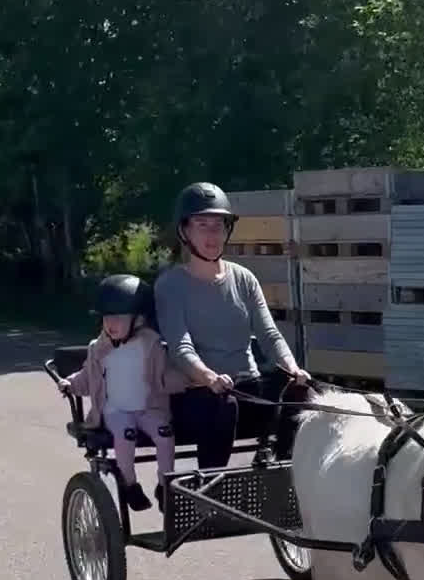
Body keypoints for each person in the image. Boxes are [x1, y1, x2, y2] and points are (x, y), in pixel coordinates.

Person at [154, 181, 311, 470]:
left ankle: (280, 472)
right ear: (184, 231)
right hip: (198, 394)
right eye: (202, 225)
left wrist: (294, 369)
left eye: (219, 225)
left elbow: (269, 335)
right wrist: (209, 377)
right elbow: (180, 346)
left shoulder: (244, 278)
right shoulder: (170, 285)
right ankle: (211, 485)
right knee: (223, 404)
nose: (212, 234)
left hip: (246, 388)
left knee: (301, 392)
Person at [63, 274, 174, 511]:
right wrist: (70, 383)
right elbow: (86, 376)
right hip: (116, 410)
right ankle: (130, 485)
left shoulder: (152, 345)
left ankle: (165, 486)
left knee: (165, 434)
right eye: (106, 318)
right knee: (126, 435)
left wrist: (191, 379)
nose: (110, 324)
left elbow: (167, 375)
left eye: (117, 318)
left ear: (139, 319)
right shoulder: (99, 348)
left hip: (148, 408)